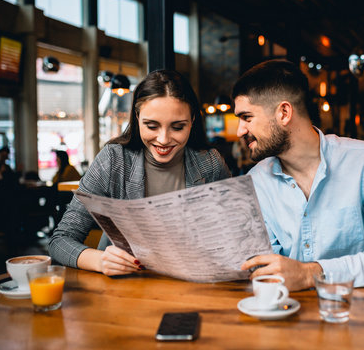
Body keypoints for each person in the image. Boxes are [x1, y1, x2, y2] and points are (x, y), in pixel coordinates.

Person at [234, 60, 364, 291]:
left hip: (361, 313)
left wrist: (310, 274)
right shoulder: (256, 181)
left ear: (284, 112)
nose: (239, 131)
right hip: (287, 315)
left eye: (246, 117)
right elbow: (264, 267)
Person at [49, 69, 231, 276]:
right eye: (151, 126)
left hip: (190, 287)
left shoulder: (211, 164)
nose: (163, 139)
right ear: (137, 118)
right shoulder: (114, 160)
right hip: (124, 289)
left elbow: (233, 237)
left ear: (192, 121)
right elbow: (59, 241)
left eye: (178, 127)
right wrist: (100, 261)